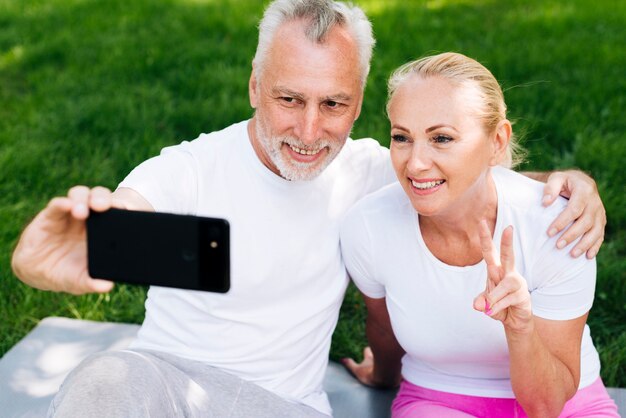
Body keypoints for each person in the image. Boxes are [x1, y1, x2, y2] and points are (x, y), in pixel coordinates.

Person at [10, 1, 605, 417]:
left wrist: (568, 182)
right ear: (253, 86)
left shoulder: (377, 169)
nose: (309, 131)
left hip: (279, 407)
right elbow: (125, 213)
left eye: (333, 104)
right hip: (166, 391)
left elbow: (463, 171)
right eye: (288, 99)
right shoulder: (187, 169)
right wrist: (61, 255)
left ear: (358, 103)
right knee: (105, 378)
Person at [340, 52, 618, 417]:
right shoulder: (368, 227)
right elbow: (383, 328)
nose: (415, 162)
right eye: (401, 137)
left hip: (566, 402)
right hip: (438, 399)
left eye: (441, 138)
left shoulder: (559, 227)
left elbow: (547, 405)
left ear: (498, 142)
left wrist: (520, 327)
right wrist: (381, 377)